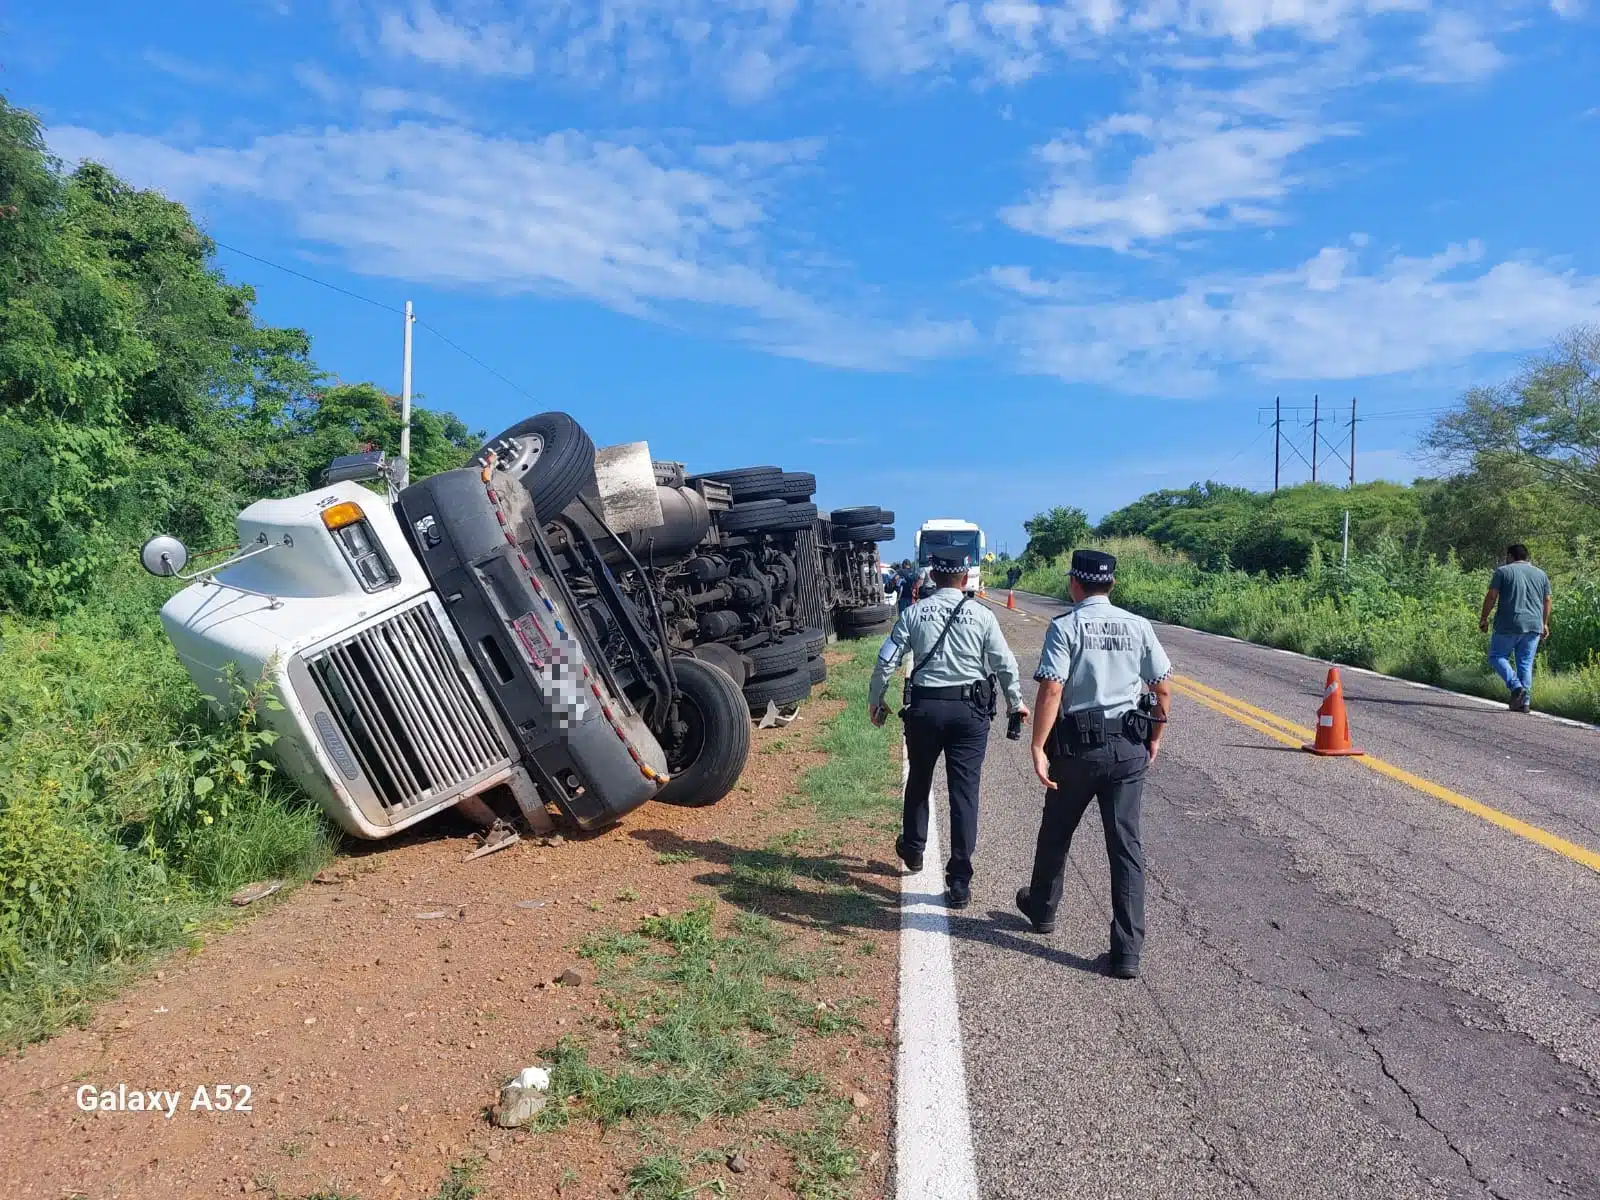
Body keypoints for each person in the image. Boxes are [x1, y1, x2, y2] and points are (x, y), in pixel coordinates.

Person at [1016, 548, 1172, 980]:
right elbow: (1162, 689)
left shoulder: (1066, 626)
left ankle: (1043, 910)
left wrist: (1038, 745)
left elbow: (1051, 689)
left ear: (1074, 583)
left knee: (1057, 831)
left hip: (1078, 749)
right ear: (1113, 584)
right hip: (1127, 749)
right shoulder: (1138, 626)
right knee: (1126, 848)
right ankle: (1127, 953)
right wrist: (1155, 737)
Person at [868, 546, 1027, 908]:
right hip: (970, 714)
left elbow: (886, 660)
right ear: (964, 575)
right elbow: (1004, 664)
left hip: (925, 709)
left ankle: (913, 848)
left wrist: (877, 699)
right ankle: (959, 881)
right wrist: (1016, 702)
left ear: (933, 575)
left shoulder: (915, 613)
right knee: (964, 793)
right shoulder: (982, 615)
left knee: (920, 780)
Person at [1479, 543, 1551, 713]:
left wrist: (1483, 618)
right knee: (1525, 664)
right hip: (1533, 625)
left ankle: (1516, 687)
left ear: (1510, 556)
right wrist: (1544, 623)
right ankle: (1524, 703)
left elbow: (1492, 596)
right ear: (1526, 557)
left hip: (1508, 624)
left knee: (1497, 657)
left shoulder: (1503, 571)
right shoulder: (1541, 574)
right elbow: (1547, 600)